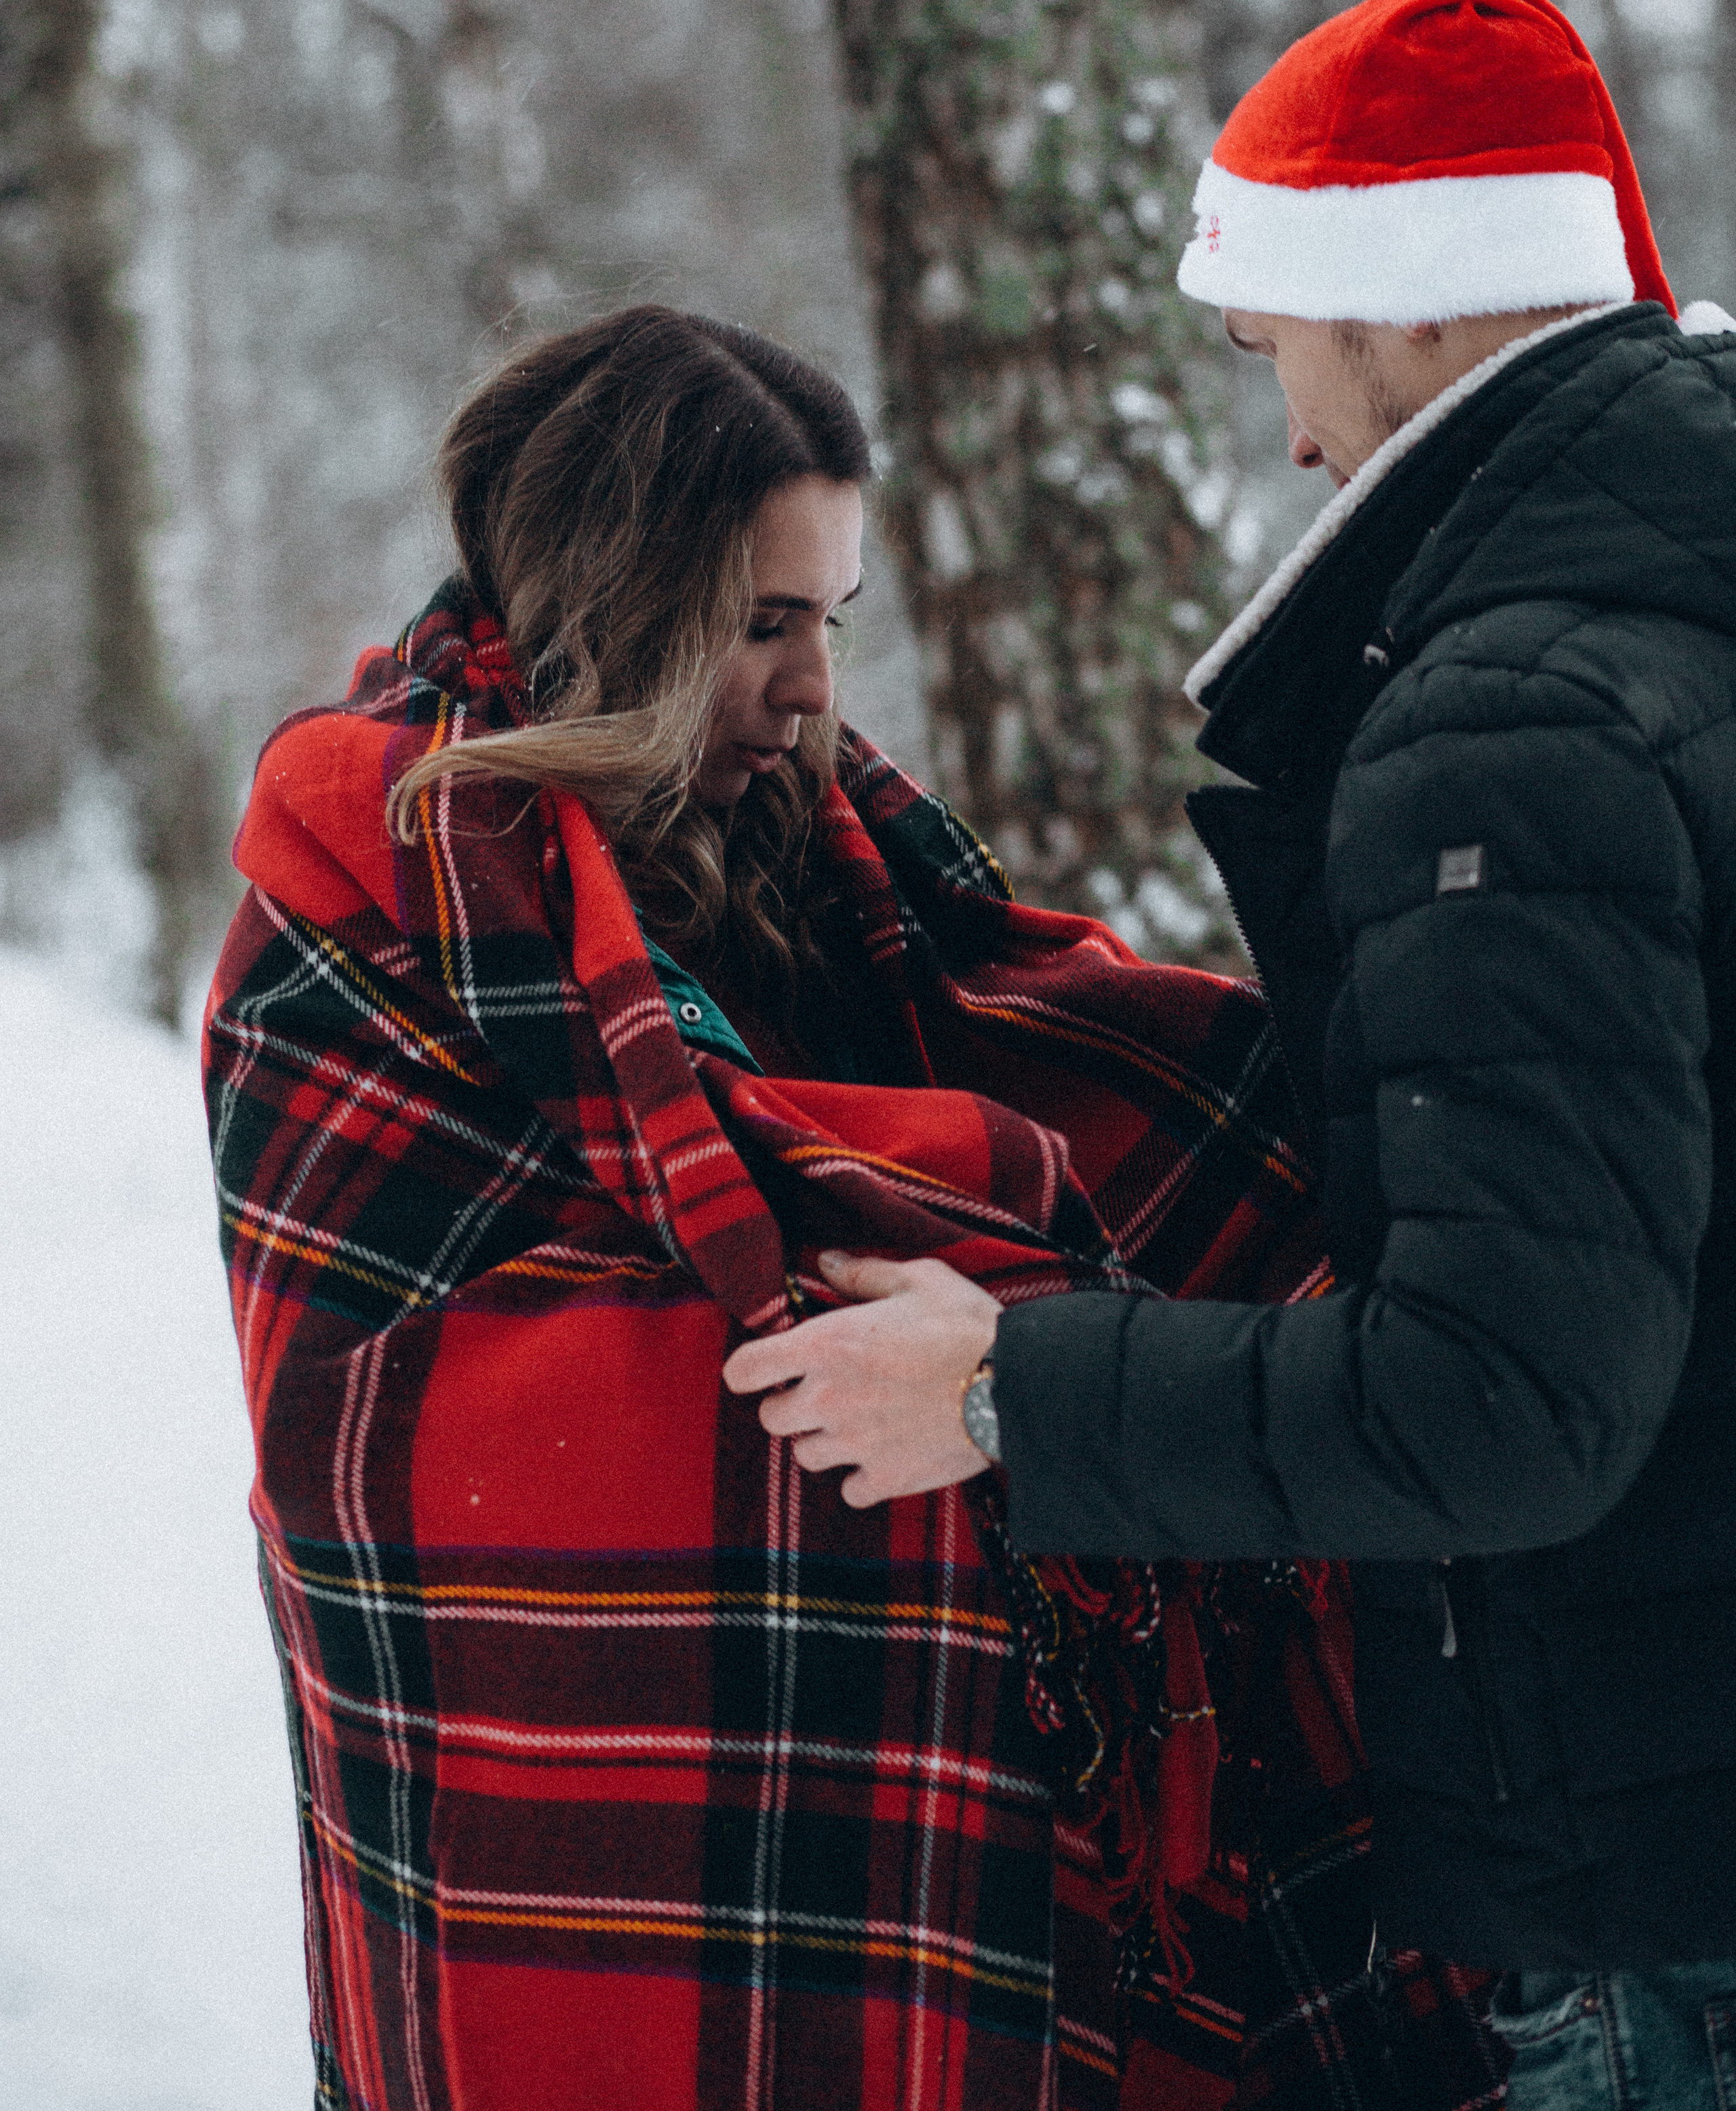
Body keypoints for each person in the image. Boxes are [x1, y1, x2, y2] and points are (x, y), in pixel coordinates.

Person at [205, 305, 1499, 2111]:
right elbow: (378, 1430)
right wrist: (969, 1309)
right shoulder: (377, 874)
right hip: (564, 1810)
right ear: (622, 611)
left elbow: (999, 1055)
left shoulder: (813, 857)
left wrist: (1052, 1317)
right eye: (763, 625)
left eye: (834, 621)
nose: (816, 688)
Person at [726, 0, 1736, 2110]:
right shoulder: (1679, 637)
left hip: (1662, 1905)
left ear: (1400, 304)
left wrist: (1001, 1385)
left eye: (1275, 344)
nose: (1287, 428)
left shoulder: (1513, 721)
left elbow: (1507, 1401)